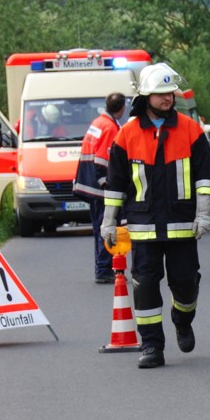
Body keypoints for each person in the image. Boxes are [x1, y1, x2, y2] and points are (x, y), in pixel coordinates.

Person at [101, 63, 210, 369]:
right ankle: (151, 345)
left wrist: (204, 214)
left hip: (182, 224)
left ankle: (183, 318)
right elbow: (116, 183)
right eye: (160, 93)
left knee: (186, 284)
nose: (168, 98)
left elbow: (205, 177)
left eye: (170, 92)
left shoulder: (191, 130)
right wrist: (108, 222)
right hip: (143, 225)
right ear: (145, 96)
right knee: (145, 285)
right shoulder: (127, 134)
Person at [73, 91, 126, 283]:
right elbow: (102, 160)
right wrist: (108, 185)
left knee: (99, 229)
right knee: (107, 227)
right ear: (122, 108)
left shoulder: (98, 122)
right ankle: (104, 270)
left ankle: (102, 268)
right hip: (100, 189)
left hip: (88, 184)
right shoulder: (110, 127)